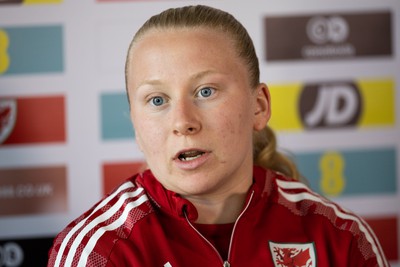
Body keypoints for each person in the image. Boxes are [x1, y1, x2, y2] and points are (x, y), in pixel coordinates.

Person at [47, 5, 388, 267]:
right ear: (137, 125)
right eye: (157, 100)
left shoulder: (341, 238)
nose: (183, 121)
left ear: (258, 107)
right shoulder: (100, 251)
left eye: (206, 91)